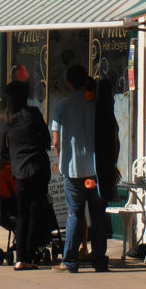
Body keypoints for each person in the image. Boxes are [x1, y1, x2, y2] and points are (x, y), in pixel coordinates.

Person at [50, 64, 110, 273]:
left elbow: (56, 141)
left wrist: (62, 161)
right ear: (86, 80)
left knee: (75, 214)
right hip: (95, 169)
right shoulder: (95, 105)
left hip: (72, 170)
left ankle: (71, 260)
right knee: (98, 214)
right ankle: (99, 259)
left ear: (69, 83)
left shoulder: (62, 107)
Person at [2, 80, 51, 271]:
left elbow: (4, 149)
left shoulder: (7, 119)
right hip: (38, 169)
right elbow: (46, 140)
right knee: (35, 214)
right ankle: (30, 257)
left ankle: (20, 258)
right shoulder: (33, 114)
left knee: (22, 215)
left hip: (19, 172)